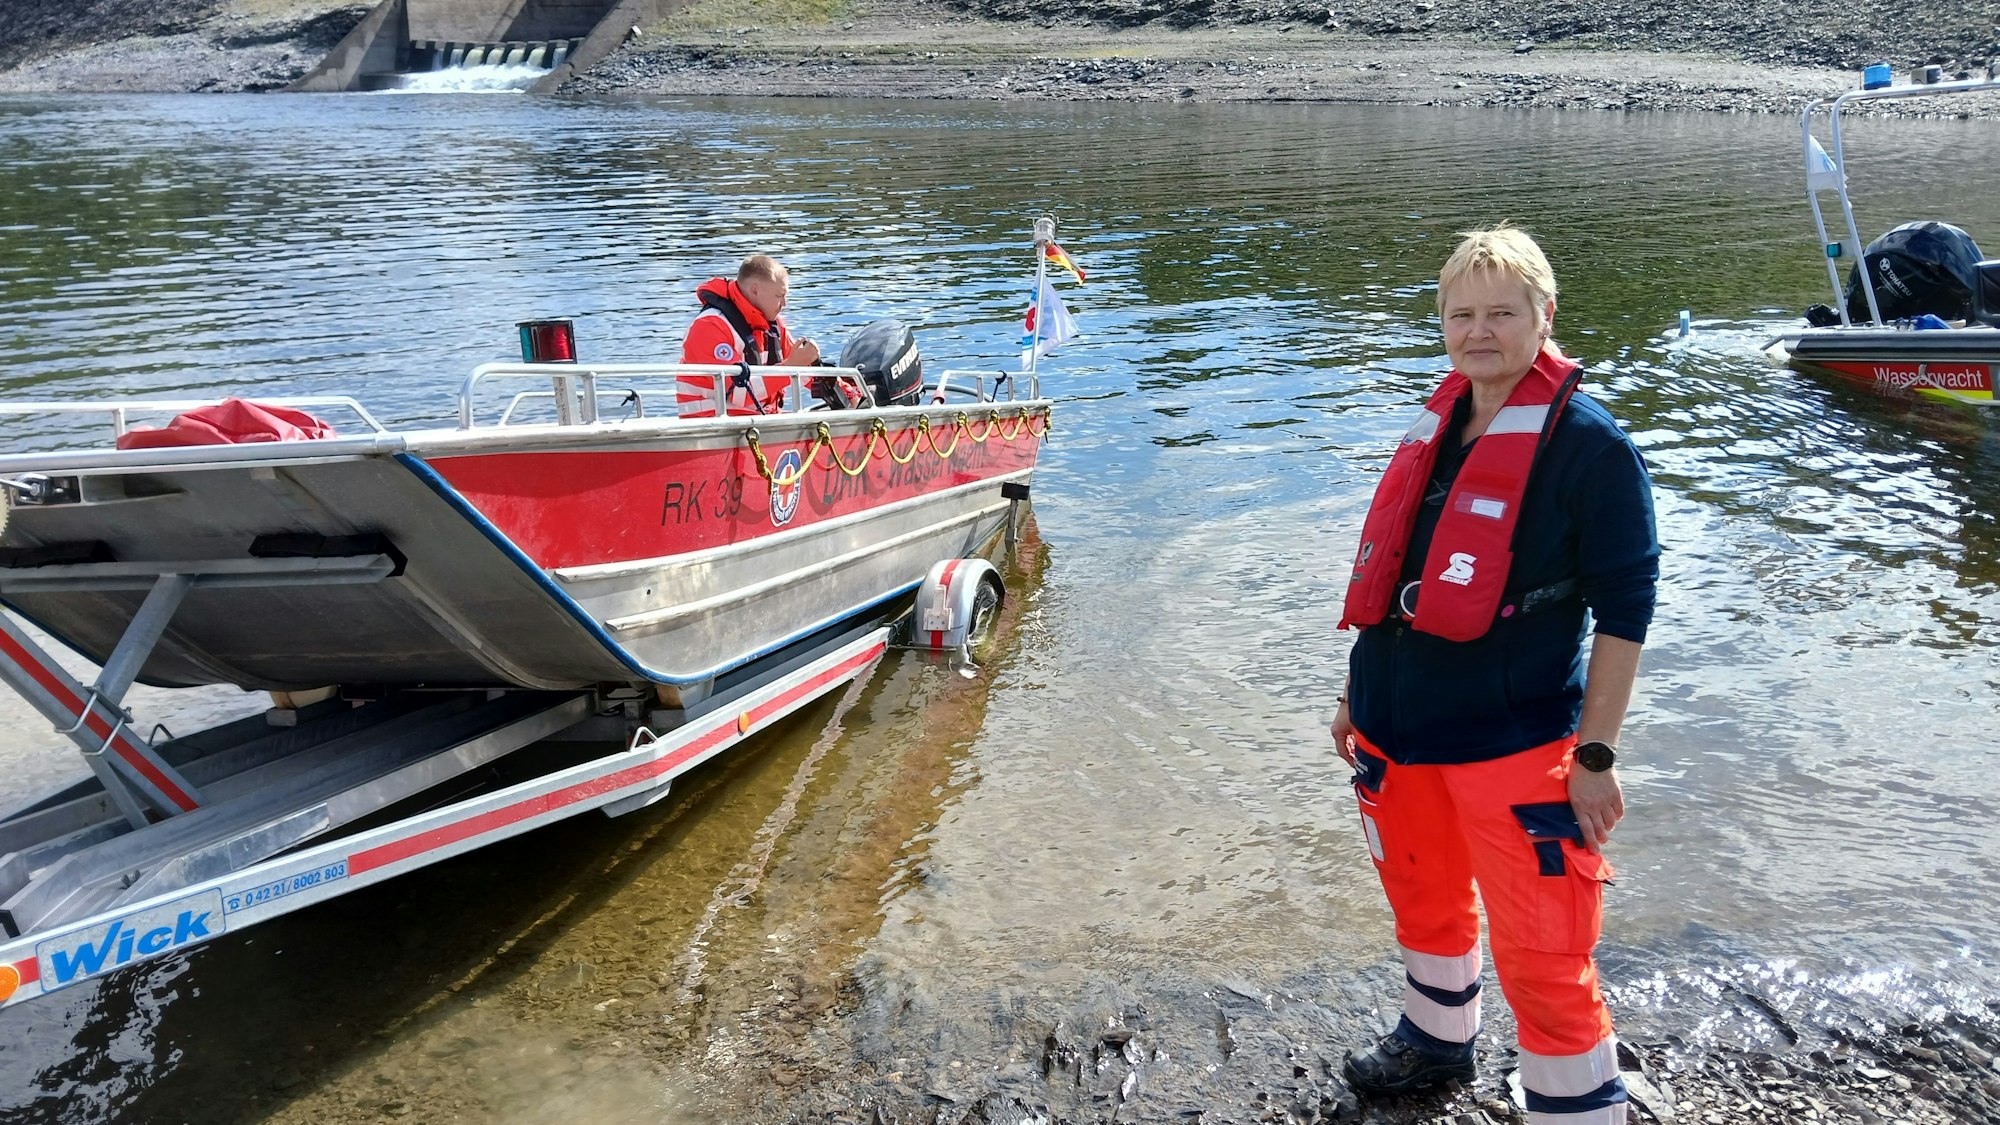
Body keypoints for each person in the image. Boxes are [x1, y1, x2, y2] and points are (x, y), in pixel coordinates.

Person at [1329, 225, 1659, 1125]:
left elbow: (1626, 610)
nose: (1479, 332)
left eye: (1502, 313)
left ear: (1545, 316)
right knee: (1423, 899)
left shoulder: (1591, 446)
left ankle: (1579, 1108)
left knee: (1545, 947)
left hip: (1511, 743)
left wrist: (1596, 754)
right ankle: (1436, 1039)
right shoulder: (1440, 424)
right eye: (1461, 314)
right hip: (1396, 732)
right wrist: (1355, 695)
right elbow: (1395, 575)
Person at [677, 254, 821, 418]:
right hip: (710, 425)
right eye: (779, 296)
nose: (784, 303)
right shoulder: (710, 327)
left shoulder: (773, 325)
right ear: (754, 290)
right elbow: (739, 393)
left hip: (759, 421)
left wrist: (842, 389)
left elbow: (804, 369)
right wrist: (791, 367)